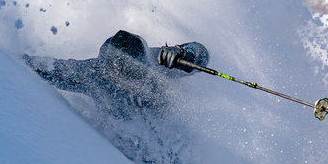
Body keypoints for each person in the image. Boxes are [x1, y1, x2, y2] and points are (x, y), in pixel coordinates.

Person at [23, 30, 209, 117]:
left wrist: (183, 53)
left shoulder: (157, 60)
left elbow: (200, 52)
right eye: (124, 71)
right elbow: (48, 67)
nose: (132, 77)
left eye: (136, 70)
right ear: (109, 68)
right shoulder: (92, 75)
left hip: (170, 128)